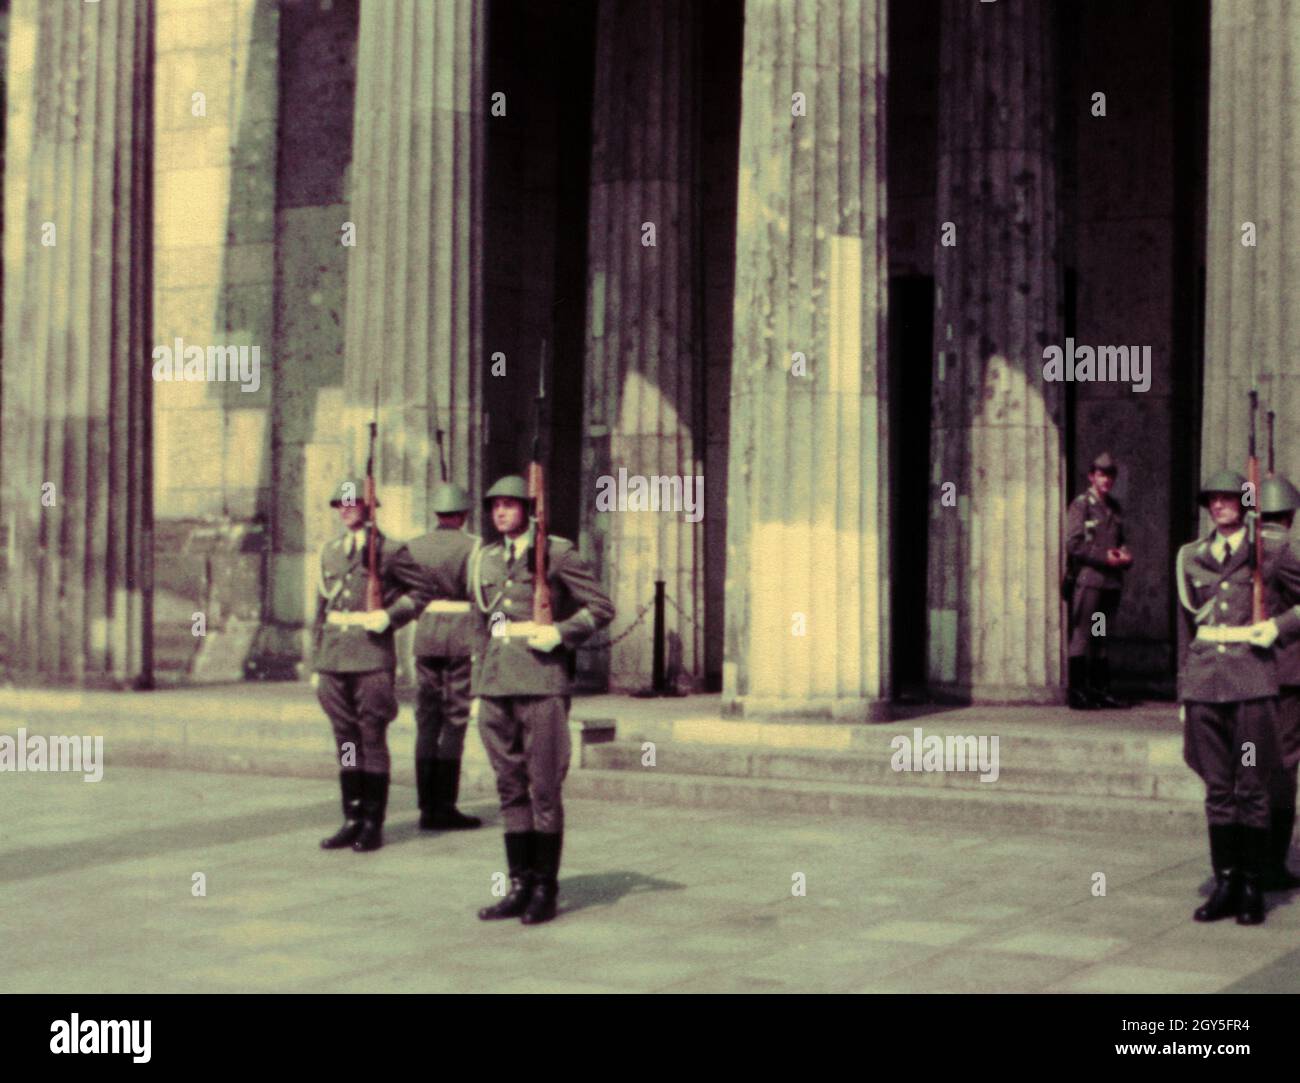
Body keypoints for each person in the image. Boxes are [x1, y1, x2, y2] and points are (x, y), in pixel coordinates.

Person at [469, 474, 614, 925]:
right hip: (496, 684)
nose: (501, 513)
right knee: (508, 786)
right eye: (495, 507)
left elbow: (601, 608)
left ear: (527, 510)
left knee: (544, 788)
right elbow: (481, 623)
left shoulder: (557, 552)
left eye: (510, 505)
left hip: (541, 682)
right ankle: (519, 883)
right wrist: (478, 684)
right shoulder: (486, 559)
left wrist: (560, 633)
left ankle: (545, 889)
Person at [1175, 471, 1300, 924]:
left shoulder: (1271, 550)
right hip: (1206, 684)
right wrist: (1183, 693)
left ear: (1246, 504)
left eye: (1230, 499)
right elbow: (1187, 629)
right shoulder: (1191, 556)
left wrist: (1279, 628)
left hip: (1251, 683)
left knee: (1251, 785)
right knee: (1218, 788)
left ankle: (1251, 884)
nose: (1221, 506)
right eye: (1214, 500)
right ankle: (1225, 880)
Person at [313, 478, 427, 853]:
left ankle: (373, 822)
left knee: (372, 736)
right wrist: (318, 660)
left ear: (369, 506)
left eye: (353, 502)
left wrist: (391, 616)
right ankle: (352, 815)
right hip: (334, 657)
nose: (345, 508)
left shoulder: (390, 550)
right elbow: (321, 608)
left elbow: (423, 591)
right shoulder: (329, 552)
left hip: (370, 656)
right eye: (339, 503)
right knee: (345, 738)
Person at [386, 482, 484, 830]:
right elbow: (481, 595)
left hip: (425, 634)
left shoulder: (413, 546)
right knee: (455, 720)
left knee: (427, 721)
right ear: (463, 514)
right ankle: (445, 805)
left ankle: (427, 805)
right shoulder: (475, 547)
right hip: (460, 636)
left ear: (437, 513)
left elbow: (400, 590)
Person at [1065, 452, 1133, 709]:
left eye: (1110, 475)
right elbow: (1073, 544)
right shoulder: (1082, 505)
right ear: (1092, 476)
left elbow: (1121, 538)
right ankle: (1077, 692)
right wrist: (1105, 557)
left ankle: (1099, 690)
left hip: (1110, 583)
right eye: (1101, 475)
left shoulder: (1113, 507)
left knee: (1100, 635)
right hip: (1090, 580)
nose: (1106, 480)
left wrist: (1125, 554)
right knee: (1083, 633)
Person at [1259, 474, 1300, 889]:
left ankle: (1255, 858)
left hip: (1254, 670)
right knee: (1285, 766)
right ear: (1289, 515)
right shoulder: (1284, 553)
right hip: (1287, 673)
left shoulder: (1249, 550)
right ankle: (1273, 863)